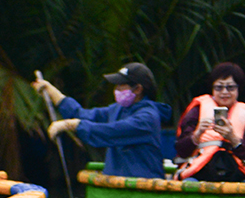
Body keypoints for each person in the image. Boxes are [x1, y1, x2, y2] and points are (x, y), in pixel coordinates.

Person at [35, 62, 172, 180]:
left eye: (120, 85)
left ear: (138, 89)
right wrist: (53, 93)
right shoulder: (118, 109)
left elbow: (112, 131)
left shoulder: (147, 117)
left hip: (143, 186)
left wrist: (72, 125)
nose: (116, 90)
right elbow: (82, 114)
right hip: (115, 184)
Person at [174, 63, 245, 182]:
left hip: (235, 172)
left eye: (230, 87)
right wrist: (197, 134)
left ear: (238, 89)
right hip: (201, 172)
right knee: (188, 183)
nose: (224, 92)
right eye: (219, 87)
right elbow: (181, 150)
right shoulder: (197, 110)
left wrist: (233, 139)